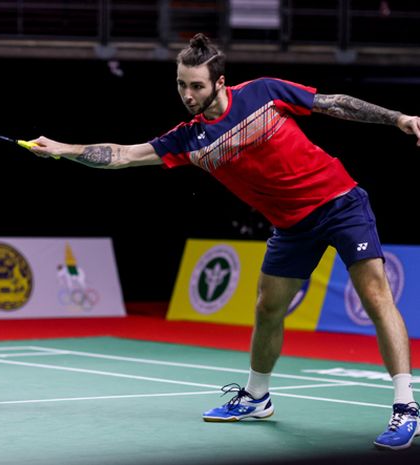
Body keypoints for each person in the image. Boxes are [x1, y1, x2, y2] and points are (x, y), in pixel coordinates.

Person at [28, 33, 420, 450]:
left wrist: (396, 118)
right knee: (268, 308)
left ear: (219, 82)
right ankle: (257, 396)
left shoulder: (262, 94)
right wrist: (62, 149)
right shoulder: (189, 138)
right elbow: (123, 155)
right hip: (291, 227)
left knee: (376, 297)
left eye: (196, 85)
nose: (187, 94)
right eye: (181, 84)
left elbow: (332, 103)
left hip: (340, 203)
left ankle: (406, 406)